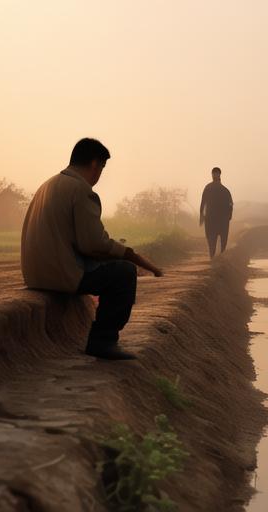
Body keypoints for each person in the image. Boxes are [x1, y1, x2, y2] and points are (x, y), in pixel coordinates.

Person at [21, 138, 163, 360]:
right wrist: (131, 256)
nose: (99, 176)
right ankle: (104, 340)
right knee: (124, 273)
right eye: (102, 169)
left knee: (111, 265)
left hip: (35, 275)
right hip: (61, 275)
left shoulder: (47, 185)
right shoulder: (82, 190)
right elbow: (92, 244)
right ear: (95, 164)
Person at [199, 167, 233, 258]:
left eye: (215, 174)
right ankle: (214, 259)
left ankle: (218, 258)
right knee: (212, 241)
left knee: (220, 240)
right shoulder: (222, 190)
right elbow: (203, 202)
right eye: (214, 174)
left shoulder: (224, 190)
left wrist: (229, 216)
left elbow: (230, 205)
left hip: (218, 219)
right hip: (214, 218)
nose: (215, 175)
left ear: (218, 175)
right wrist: (201, 215)